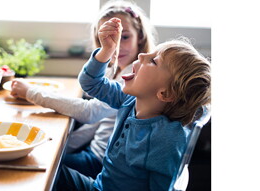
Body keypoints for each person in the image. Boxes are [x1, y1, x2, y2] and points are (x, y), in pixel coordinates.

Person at [53, 17, 211, 191]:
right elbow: (91, 83)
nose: (142, 55)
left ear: (165, 93)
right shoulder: (129, 100)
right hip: (99, 186)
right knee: (49, 170)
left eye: (153, 61)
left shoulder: (166, 141)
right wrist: (107, 50)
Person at [10, 0, 156, 178]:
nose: (117, 45)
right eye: (109, 38)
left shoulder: (135, 80)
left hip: (101, 162)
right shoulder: (113, 70)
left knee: (36, 167)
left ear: (140, 36)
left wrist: (31, 93)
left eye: (124, 37)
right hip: (93, 150)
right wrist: (61, 147)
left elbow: (90, 113)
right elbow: (94, 125)